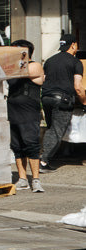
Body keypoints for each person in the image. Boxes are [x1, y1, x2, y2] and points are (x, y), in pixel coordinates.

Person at [40, 32, 86, 170]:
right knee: (56, 131)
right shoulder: (75, 62)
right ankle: (43, 161)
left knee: (51, 129)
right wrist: (84, 103)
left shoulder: (49, 60)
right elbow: (78, 87)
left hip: (46, 98)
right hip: (63, 100)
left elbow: (44, 80)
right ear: (73, 45)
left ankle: (44, 158)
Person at [7, 40, 45, 193]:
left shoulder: (34, 65)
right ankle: (22, 179)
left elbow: (27, 73)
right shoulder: (14, 67)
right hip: (13, 111)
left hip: (29, 112)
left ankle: (35, 179)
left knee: (31, 144)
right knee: (17, 146)